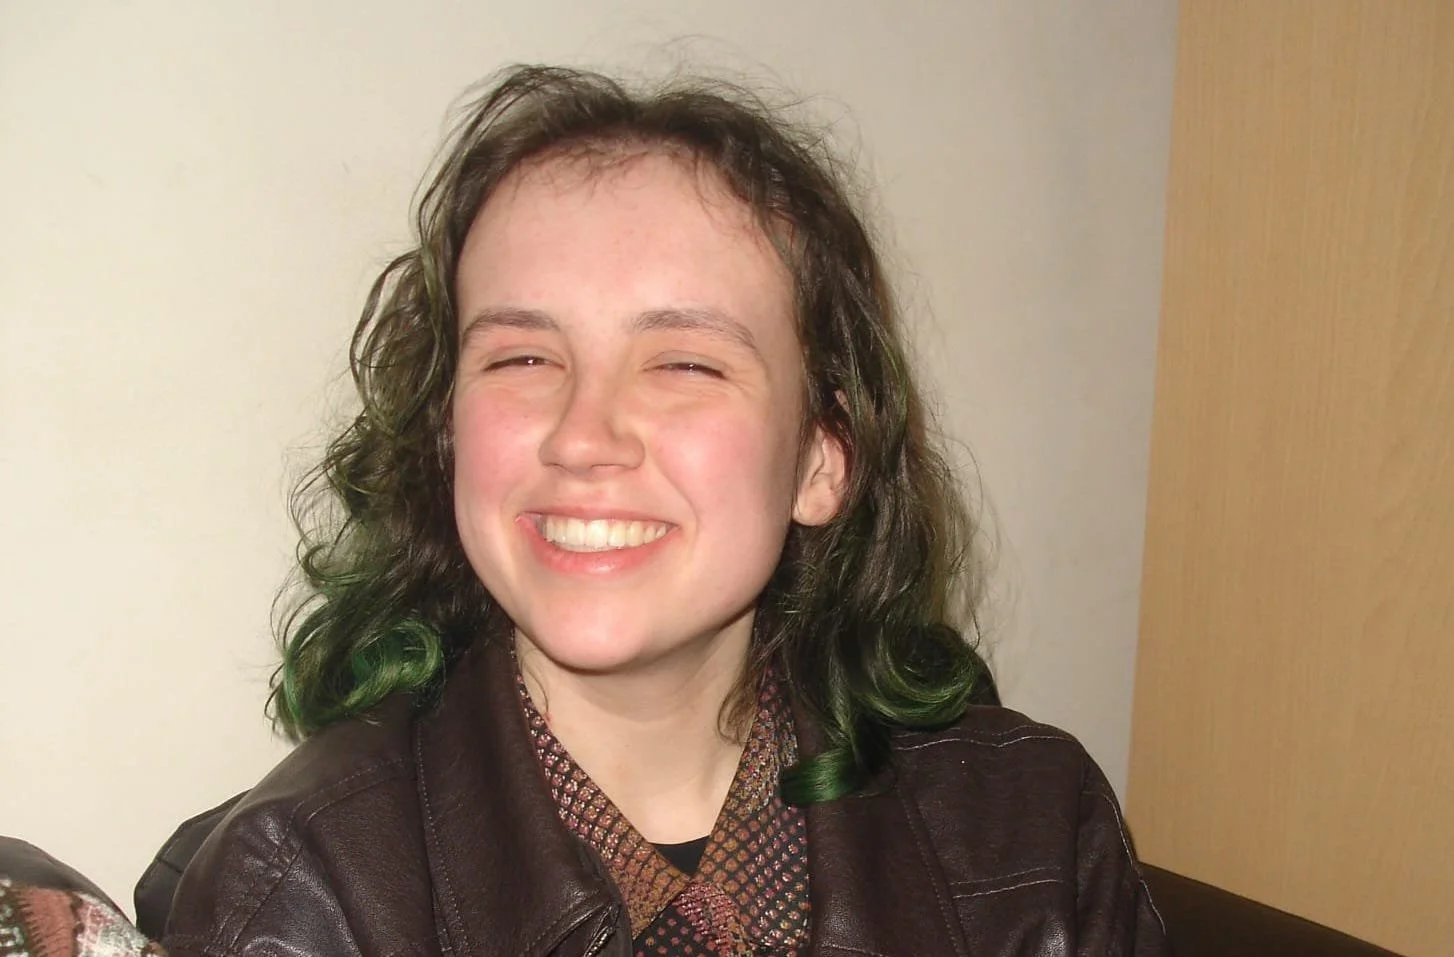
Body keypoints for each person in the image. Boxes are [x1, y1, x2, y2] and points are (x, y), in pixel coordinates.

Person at [165, 65, 1167, 957]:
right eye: (522, 357)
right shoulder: (305, 893)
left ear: (822, 458)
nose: (582, 435)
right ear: (446, 435)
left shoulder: (1034, 836)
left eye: (683, 364)